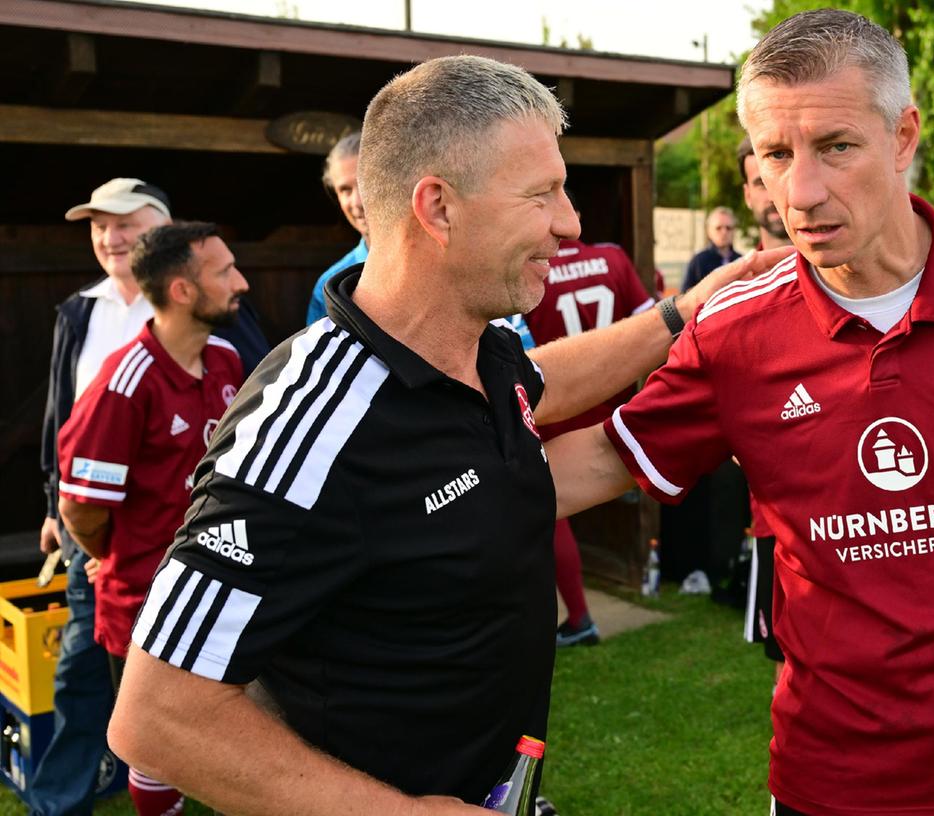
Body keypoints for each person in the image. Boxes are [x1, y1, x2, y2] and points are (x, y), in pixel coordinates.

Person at [107, 55, 786, 814]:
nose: (571, 222)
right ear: (438, 208)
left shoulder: (475, 343)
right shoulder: (312, 421)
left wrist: (681, 317)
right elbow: (157, 715)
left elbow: (541, 386)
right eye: (542, 194)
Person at [548, 11, 934, 813]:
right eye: (776, 155)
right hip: (840, 777)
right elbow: (598, 461)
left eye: (836, 146)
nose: (799, 193)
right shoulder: (737, 330)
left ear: (903, 136)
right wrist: (403, 495)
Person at [31, 179, 265, 816]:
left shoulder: (223, 359)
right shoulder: (123, 378)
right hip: (141, 592)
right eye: (225, 272)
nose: (241, 282)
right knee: (146, 740)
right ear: (184, 290)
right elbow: (82, 503)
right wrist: (116, 556)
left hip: (216, 577)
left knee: (221, 725)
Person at [523, 198, 656, 647]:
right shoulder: (614, 257)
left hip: (555, 409)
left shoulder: (530, 272)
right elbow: (654, 329)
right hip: (612, 405)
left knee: (542, 512)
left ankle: (577, 616)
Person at [737, 135, 793, 674]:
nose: (773, 192)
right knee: (789, 664)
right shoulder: (730, 291)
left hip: (875, 513)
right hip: (778, 521)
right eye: (759, 180)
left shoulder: (853, 269)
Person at [306, 132, 369, 325]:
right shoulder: (329, 286)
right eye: (345, 190)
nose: (356, 202)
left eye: (364, 183)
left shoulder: (437, 257)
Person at [682, 206, 741, 291]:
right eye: (718, 228)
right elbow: (684, 294)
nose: (724, 232)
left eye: (728, 228)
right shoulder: (698, 261)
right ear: (708, 231)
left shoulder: (741, 260)